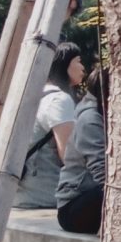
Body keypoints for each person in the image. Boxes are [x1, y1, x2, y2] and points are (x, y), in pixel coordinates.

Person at [16, 43, 87, 211]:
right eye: (78, 61)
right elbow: (69, 155)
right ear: (64, 65)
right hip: (48, 192)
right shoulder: (59, 100)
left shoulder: (33, 94)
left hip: (21, 190)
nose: (83, 67)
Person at [54, 65, 112, 233]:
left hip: (92, 195)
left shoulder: (107, 114)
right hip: (74, 206)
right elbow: (102, 172)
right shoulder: (90, 119)